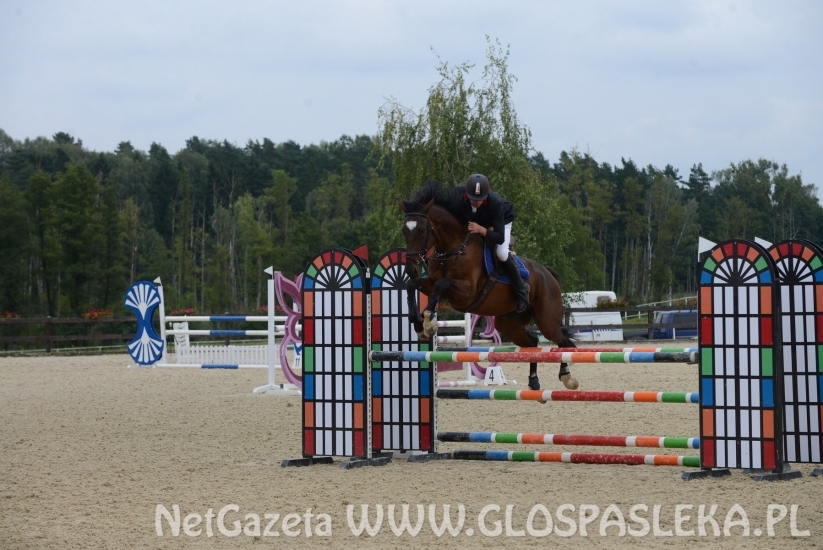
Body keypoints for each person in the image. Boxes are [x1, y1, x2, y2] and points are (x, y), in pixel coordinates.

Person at [456, 174, 530, 313]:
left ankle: (521, 289)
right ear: (467, 194)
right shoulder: (457, 194)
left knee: (501, 253)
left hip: (503, 220)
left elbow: (500, 237)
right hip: (481, 220)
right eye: (473, 199)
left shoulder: (495, 203)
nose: (476, 203)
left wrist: (481, 230)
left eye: (480, 200)